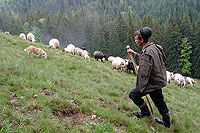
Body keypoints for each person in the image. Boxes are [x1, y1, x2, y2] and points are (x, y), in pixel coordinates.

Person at [127, 27, 170, 128]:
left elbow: (144, 73)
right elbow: (152, 59)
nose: (135, 40)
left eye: (137, 39)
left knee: (133, 95)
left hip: (152, 83)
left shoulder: (146, 53)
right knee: (160, 102)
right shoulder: (154, 47)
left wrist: (141, 86)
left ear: (142, 40)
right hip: (158, 80)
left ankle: (145, 112)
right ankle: (167, 122)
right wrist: (135, 54)